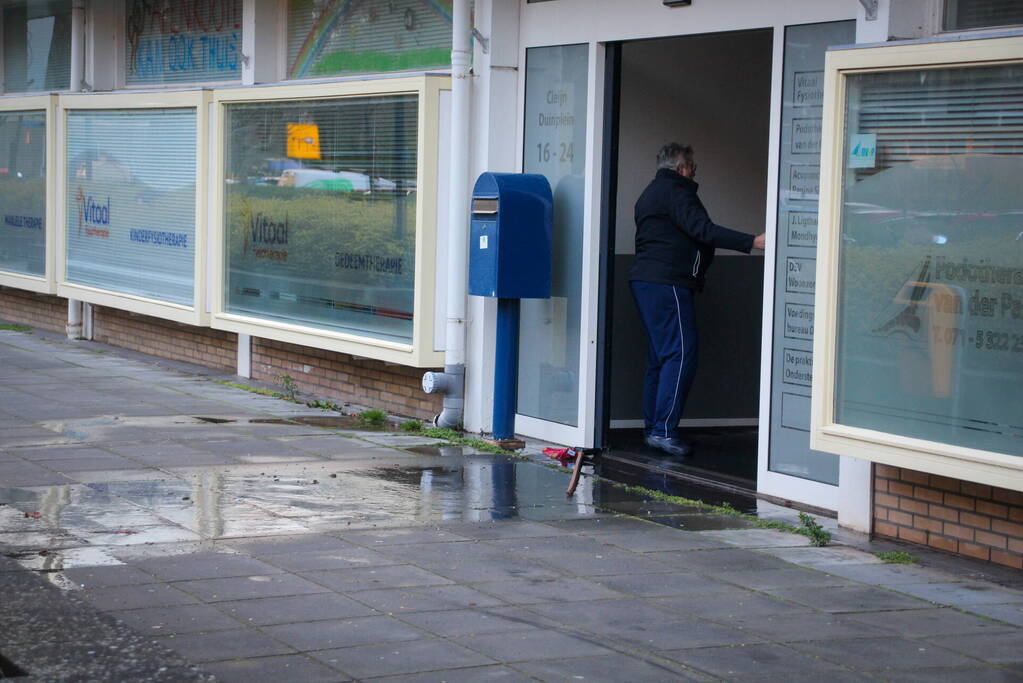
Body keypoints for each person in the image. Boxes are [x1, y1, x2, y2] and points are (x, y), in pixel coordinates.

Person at [629, 143, 766, 457]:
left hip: (646, 281)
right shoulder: (677, 191)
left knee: (661, 358)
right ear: (681, 169)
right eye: (693, 168)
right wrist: (752, 242)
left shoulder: (650, 193)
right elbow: (703, 230)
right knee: (680, 354)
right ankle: (663, 431)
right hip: (668, 284)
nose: (694, 174)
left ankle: (654, 427)